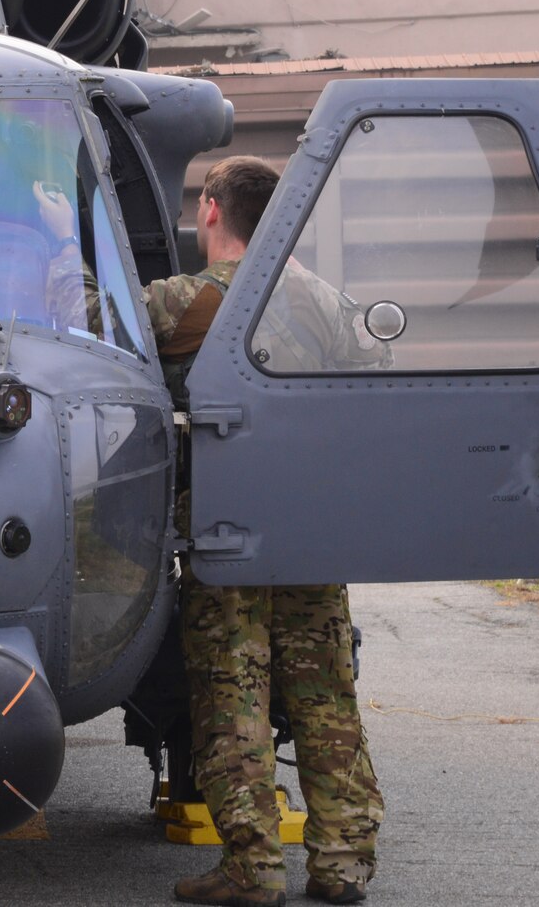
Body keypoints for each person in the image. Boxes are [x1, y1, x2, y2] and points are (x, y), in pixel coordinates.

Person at [146, 156, 384, 907]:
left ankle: (252, 866)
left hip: (228, 528)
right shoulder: (328, 301)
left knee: (233, 693)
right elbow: (376, 377)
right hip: (313, 523)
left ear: (212, 210)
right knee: (325, 693)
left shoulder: (194, 299)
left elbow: (89, 321)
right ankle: (342, 860)